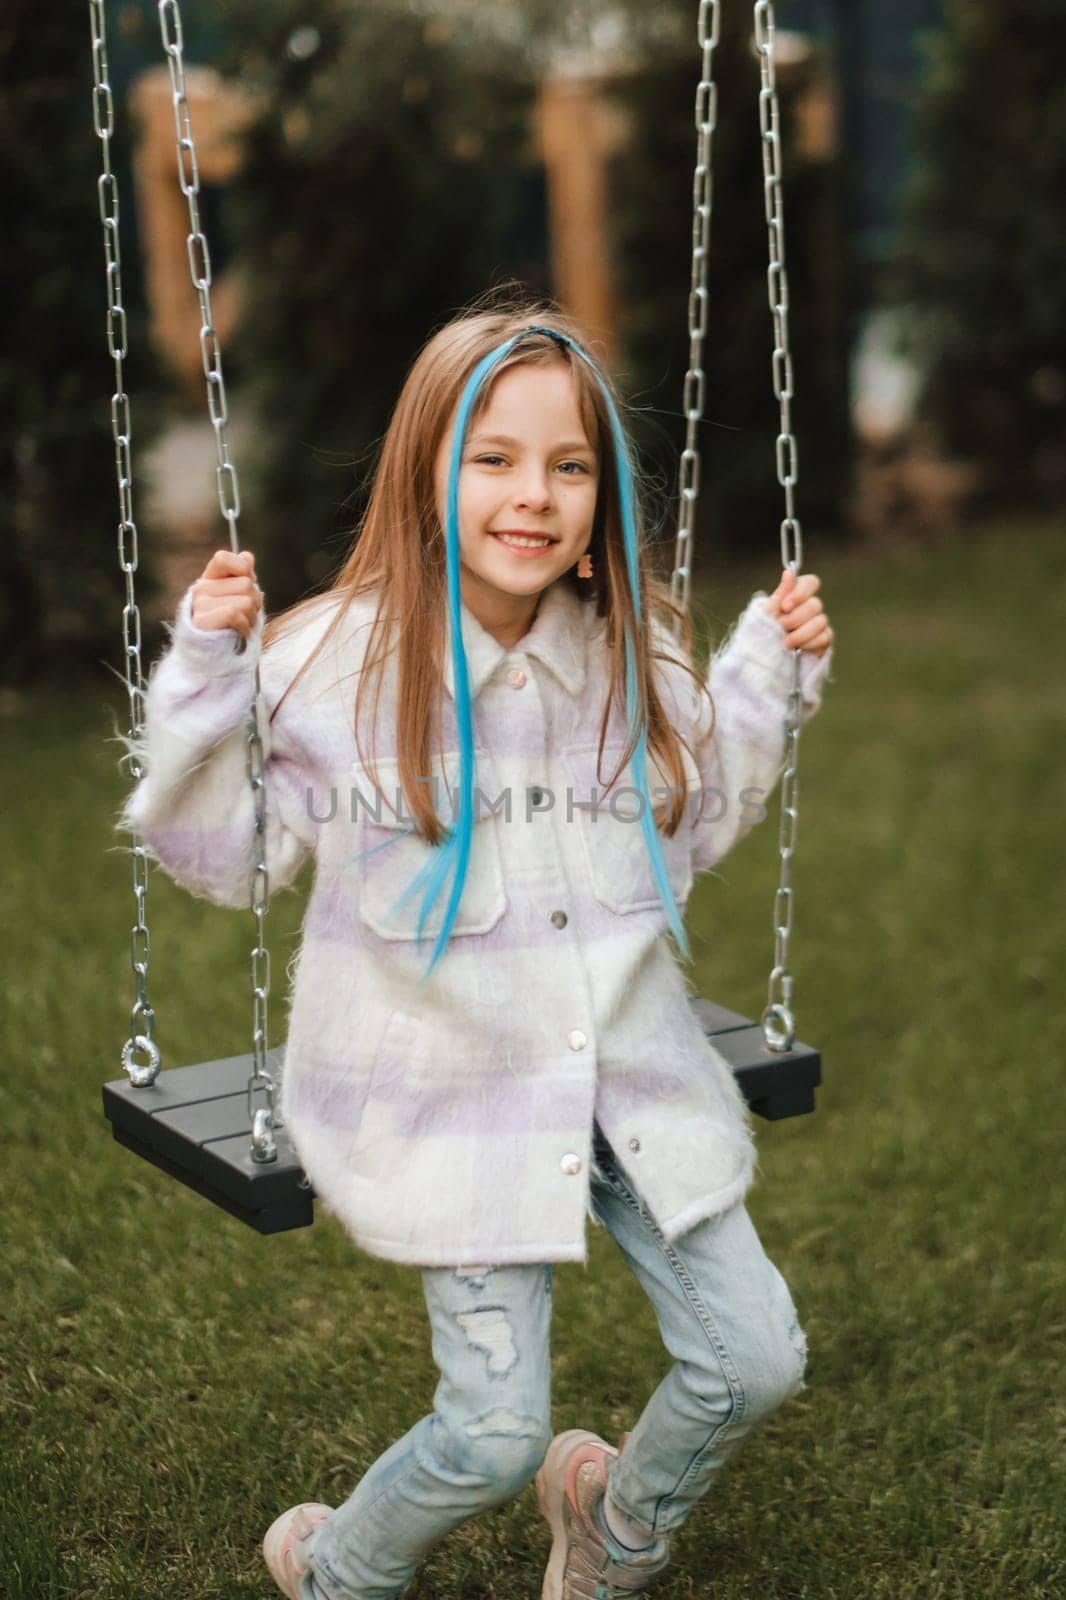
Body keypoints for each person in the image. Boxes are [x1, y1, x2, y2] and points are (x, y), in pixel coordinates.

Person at [118, 303, 835, 1600]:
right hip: (451, 1098)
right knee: (493, 1434)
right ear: (425, 471)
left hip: (630, 1074)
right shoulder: (331, 664)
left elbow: (692, 825)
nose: (533, 494)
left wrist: (758, 681)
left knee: (757, 1358)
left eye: (568, 466)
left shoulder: (632, 655)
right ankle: (332, 1568)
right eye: (492, 457)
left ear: (600, 490)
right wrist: (207, 680)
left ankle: (614, 1526)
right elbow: (224, 857)